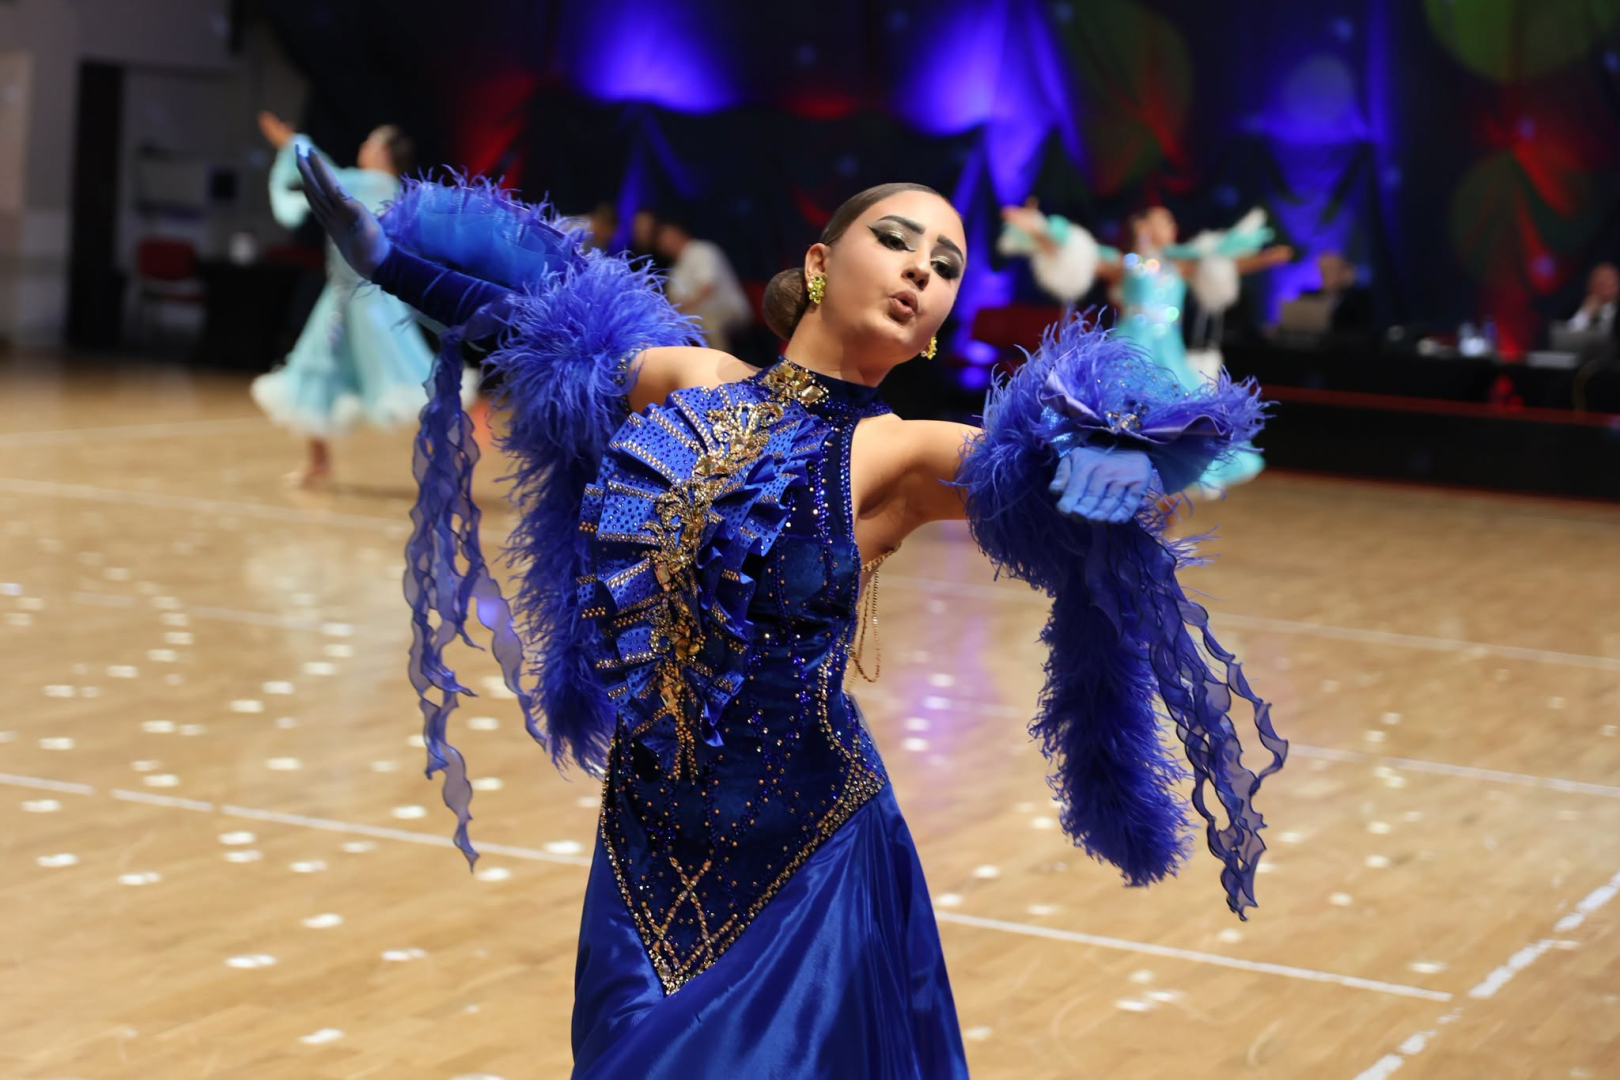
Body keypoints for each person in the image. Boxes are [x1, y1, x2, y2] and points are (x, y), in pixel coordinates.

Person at [296, 150, 1286, 1078]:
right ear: (818, 265)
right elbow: (530, 324)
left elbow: (1075, 470)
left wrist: (1138, 456)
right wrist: (383, 259)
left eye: (945, 267)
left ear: (934, 329)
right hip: (643, 840)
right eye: (896, 241)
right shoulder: (691, 382)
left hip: (807, 858)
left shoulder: (903, 454)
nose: (921, 269)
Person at [1000, 201, 1292, 497]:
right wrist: (1038, 229)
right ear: (1142, 226)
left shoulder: (1181, 264)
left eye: (1172, 222)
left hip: (1169, 352)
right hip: (1130, 347)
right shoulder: (1127, 264)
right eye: (1164, 220)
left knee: (1180, 417)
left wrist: (1268, 258)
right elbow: (1078, 253)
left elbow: (1227, 262)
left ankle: (1162, 493)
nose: (1172, 227)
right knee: (1113, 409)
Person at [250, 112, 472, 486]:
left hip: (370, 304)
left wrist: (292, 142)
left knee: (403, 377)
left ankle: (443, 463)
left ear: (384, 154)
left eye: (371, 143)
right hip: (340, 299)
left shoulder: (375, 184)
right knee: (315, 368)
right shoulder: (382, 187)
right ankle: (319, 461)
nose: (364, 148)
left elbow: (326, 177)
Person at [654, 218, 754, 353]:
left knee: (709, 323)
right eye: (661, 241)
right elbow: (674, 301)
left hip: (727, 309)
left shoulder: (702, 250)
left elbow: (707, 288)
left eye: (667, 237)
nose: (665, 244)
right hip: (695, 314)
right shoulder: (676, 268)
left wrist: (683, 307)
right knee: (668, 328)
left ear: (679, 234)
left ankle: (722, 362)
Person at [1305, 250, 1375, 335]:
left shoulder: (1358, 299)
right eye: (1322, 271)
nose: (1324, 276)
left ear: (1344, 273)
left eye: (1330, 270)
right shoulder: (1307, 297)